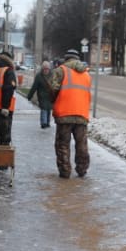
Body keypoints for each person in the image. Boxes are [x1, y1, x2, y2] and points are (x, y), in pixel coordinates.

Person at [49, 49, 91, 179]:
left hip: (64, 114)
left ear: (66, 59)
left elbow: (53, 90)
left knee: (63, 144)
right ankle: (82, 169)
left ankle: (65, 171)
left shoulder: (60, 71)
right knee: (81, 143)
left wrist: (53, 101)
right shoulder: (86, 74)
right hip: (81, 114)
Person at [27, 61, 53, 129]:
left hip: (50, 95)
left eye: (47, 69)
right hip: (42, 96)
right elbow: (34, 87)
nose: (46, 70)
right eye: (44, 69)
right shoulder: (39, 76)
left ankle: (47, 122)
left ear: (49, 69)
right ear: (42, 69)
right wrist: (30, 96)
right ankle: (44, 123)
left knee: (48, 109)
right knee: (44, 108)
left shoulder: (52, 75)